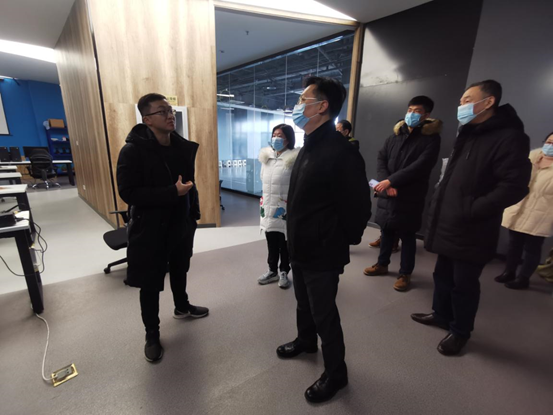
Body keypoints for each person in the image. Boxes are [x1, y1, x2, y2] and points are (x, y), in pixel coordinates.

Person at [413, 80, 531, 356]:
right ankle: (441, 314)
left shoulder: (510, 137)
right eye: (461, 100)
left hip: (473, 227)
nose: (461, 105)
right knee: (442, 275)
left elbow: (514, 186)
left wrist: (472, 209)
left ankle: (460, 331)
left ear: (488, 102)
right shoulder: (469, 133)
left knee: (464, 284)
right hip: (449, 222)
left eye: (467, 100)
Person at [276, 77, 372, 403]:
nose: (297, 105)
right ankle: (306, 342)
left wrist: (337, 241)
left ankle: (336, 373)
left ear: (322, 106)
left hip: (323, 250)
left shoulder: (342, 152)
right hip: (300, 244)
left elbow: (358, 207)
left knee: (324, 313)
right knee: (303, 303)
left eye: (303, 99)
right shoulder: (308, 146)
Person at [117, 93, 208, 363]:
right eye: (162, 112)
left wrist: (192, 213)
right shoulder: (132, 151)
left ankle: (182, 306)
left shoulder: (180, 147)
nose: (170, 116)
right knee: (151, 282)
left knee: (180, 268)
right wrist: (171, 193)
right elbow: (128, 193)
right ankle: (152, 333)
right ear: (147, 119)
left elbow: (188, 185)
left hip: (181, 222)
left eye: (171, 111)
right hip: (151, 228)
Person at [364, 96, 441, 292]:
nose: (411, 114)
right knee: (386, 231)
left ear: (426, 115)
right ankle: (382, 264)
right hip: (388, 192)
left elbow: (421, 166)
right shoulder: (395, 136)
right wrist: (385, 182)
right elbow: (381, 159)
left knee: (407, 236)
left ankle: (405, 273)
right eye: (410, 110)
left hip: (410, 195)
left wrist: (392, 181)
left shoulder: (431, 139)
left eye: (417, 111)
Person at [497, 132, 553, 289]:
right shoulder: (531, 157)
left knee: (532, 248)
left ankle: (523, 278)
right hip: (520, 208)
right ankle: (509, 272)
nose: (550, 146)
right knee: (514, 244)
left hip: (542, 214)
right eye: (548, 141)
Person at [257, 124, 300, 289]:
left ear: (288, 139)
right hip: (268, 205)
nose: (276, 138)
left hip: (284, 207)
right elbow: (262, 178)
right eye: (274, 134)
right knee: (271, 240)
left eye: (280, 135)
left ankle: (283, 271)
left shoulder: (293, 159)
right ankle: (272, 270)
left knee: (284, 241)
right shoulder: (266, 158)